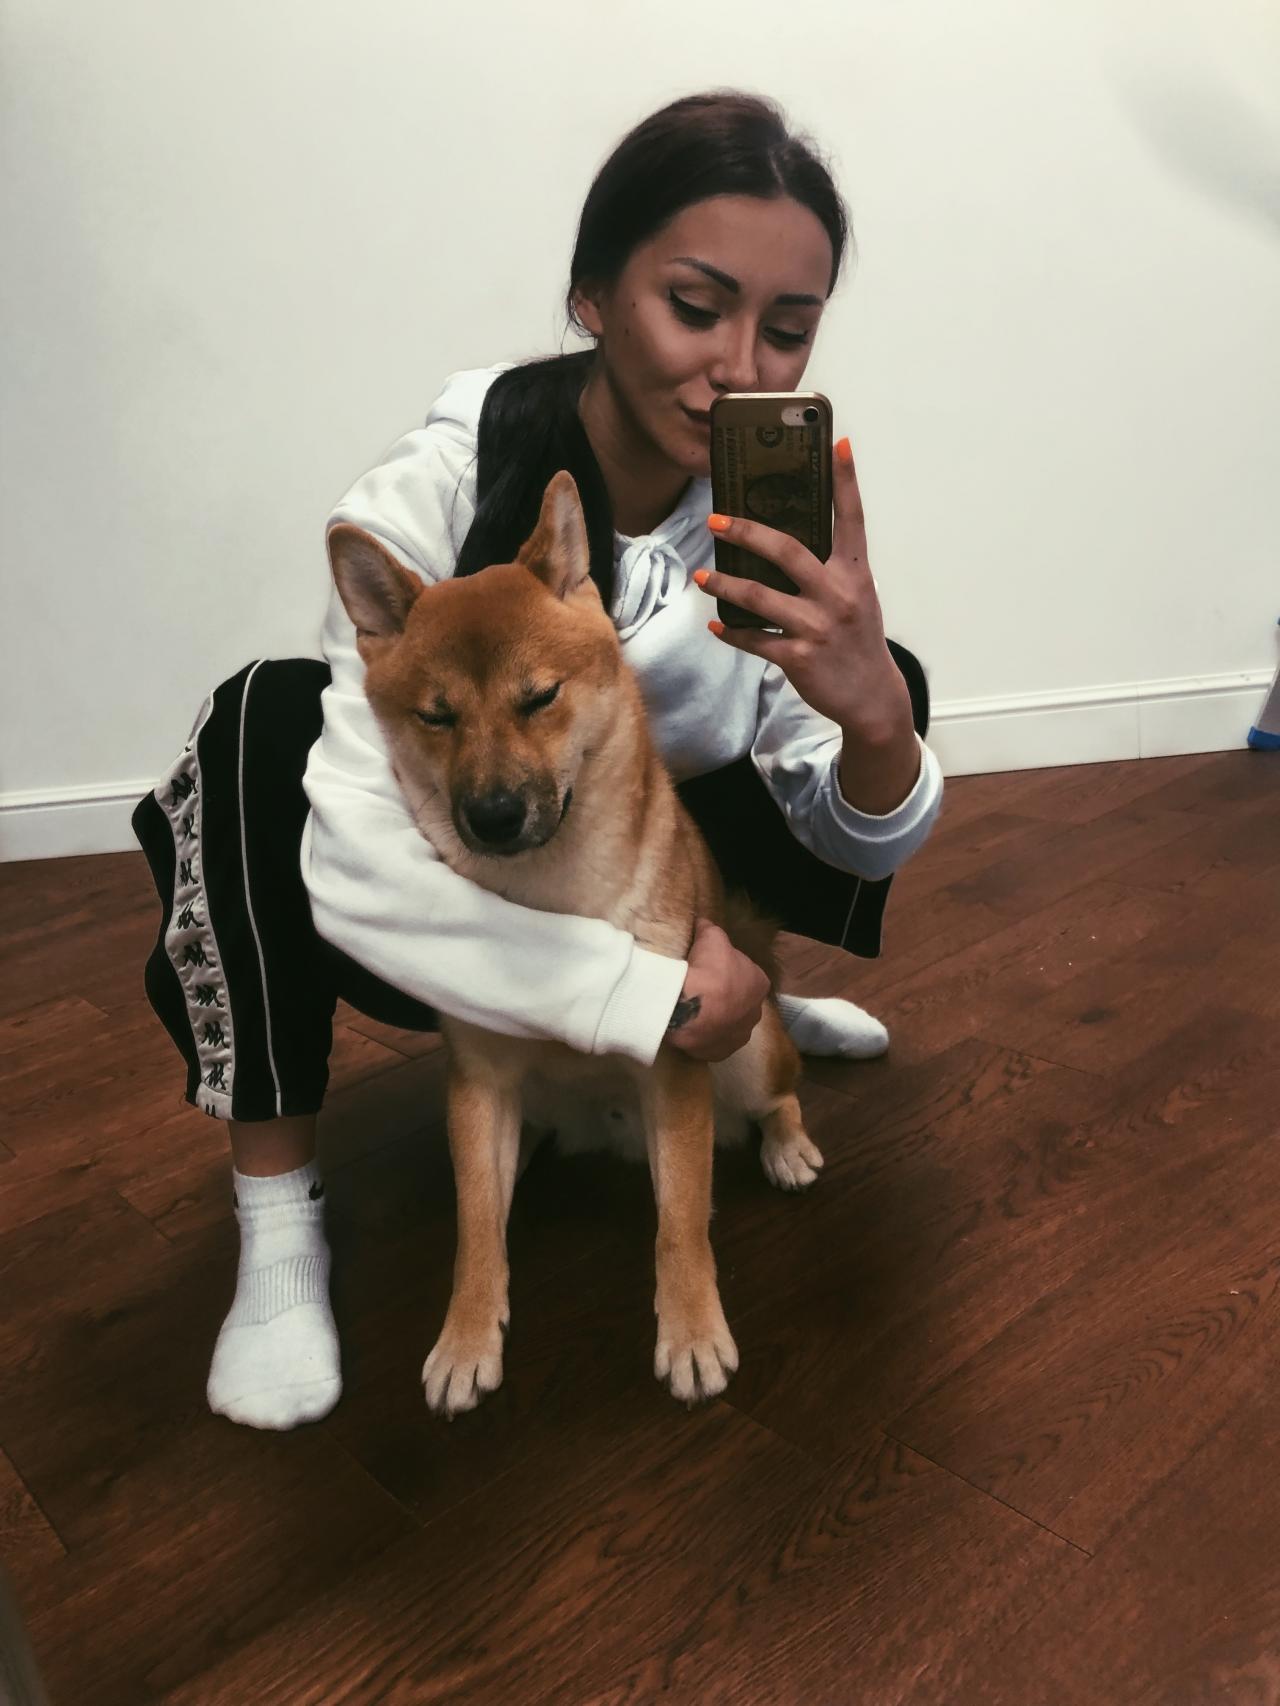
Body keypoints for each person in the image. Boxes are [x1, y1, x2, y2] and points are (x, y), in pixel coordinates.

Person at [132, 88, 944, 1432]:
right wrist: (639, 997)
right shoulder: (454, 472)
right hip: (462, 906)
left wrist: (871, 716)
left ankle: (753, 1002)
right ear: (593, 296)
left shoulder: (764, 514)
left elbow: (859, 837)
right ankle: (277, 1213)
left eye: (787, 329)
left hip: (657, 861)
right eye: (697, 305)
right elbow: (348, 842)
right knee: (257, 723)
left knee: (891, 673)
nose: (740, 366)